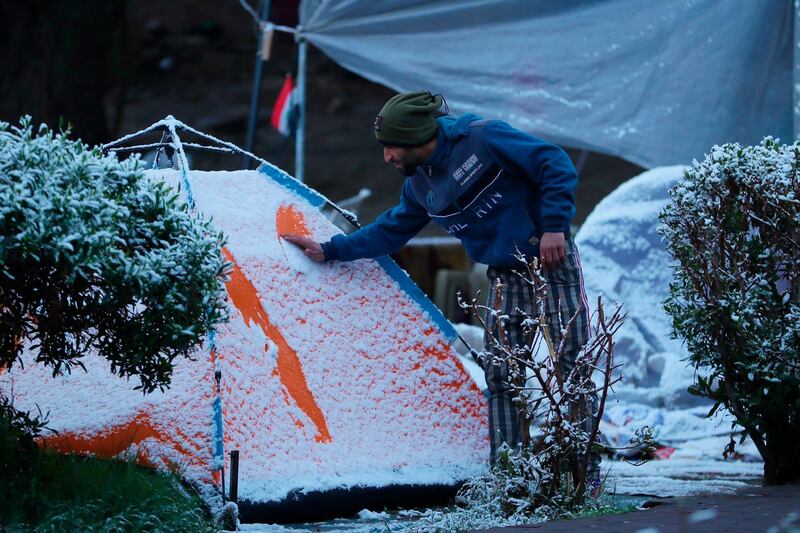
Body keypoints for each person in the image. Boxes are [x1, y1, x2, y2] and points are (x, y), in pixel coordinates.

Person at [283, 90, 598, 486]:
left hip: (547, 257)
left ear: (417, 137)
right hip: (502, 271)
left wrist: (554, 226)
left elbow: (554, 163)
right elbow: (394, 227)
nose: (387, 158)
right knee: (502, 376)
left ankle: (583, 475)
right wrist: (331, 250)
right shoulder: (418, 184)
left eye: (391, 147)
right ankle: (511, 481)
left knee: (571, 364)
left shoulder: (484, 139)